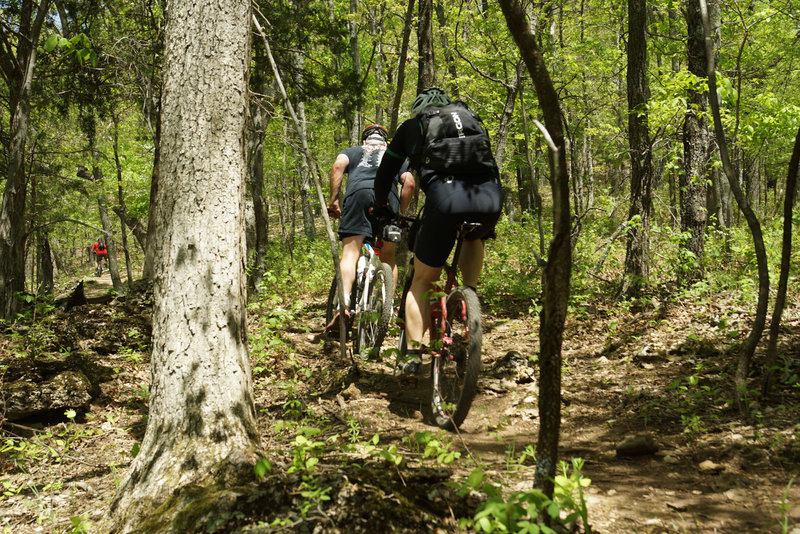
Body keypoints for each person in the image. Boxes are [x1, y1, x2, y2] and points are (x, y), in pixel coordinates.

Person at [373, 87, 503, 374]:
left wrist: (382, 207)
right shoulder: (470, 117)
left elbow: (385, 175)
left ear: (420, 111)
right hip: (490, 197)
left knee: (422, 280)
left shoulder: (411, 127)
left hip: (445, 199)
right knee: (472, 235)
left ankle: (413, 355)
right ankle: (469, 298)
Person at [326, 123, 415, 332]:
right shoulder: (396, 155)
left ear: (365, 140)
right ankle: (387, 306)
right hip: (388, 199)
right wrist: (399, 212)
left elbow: (338, 166)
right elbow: (409, 183)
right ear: (386, 141)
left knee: (350, 253)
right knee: (388, 256)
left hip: (358, 195)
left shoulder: (353, 151)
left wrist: (333, 200)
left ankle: (343, 307)